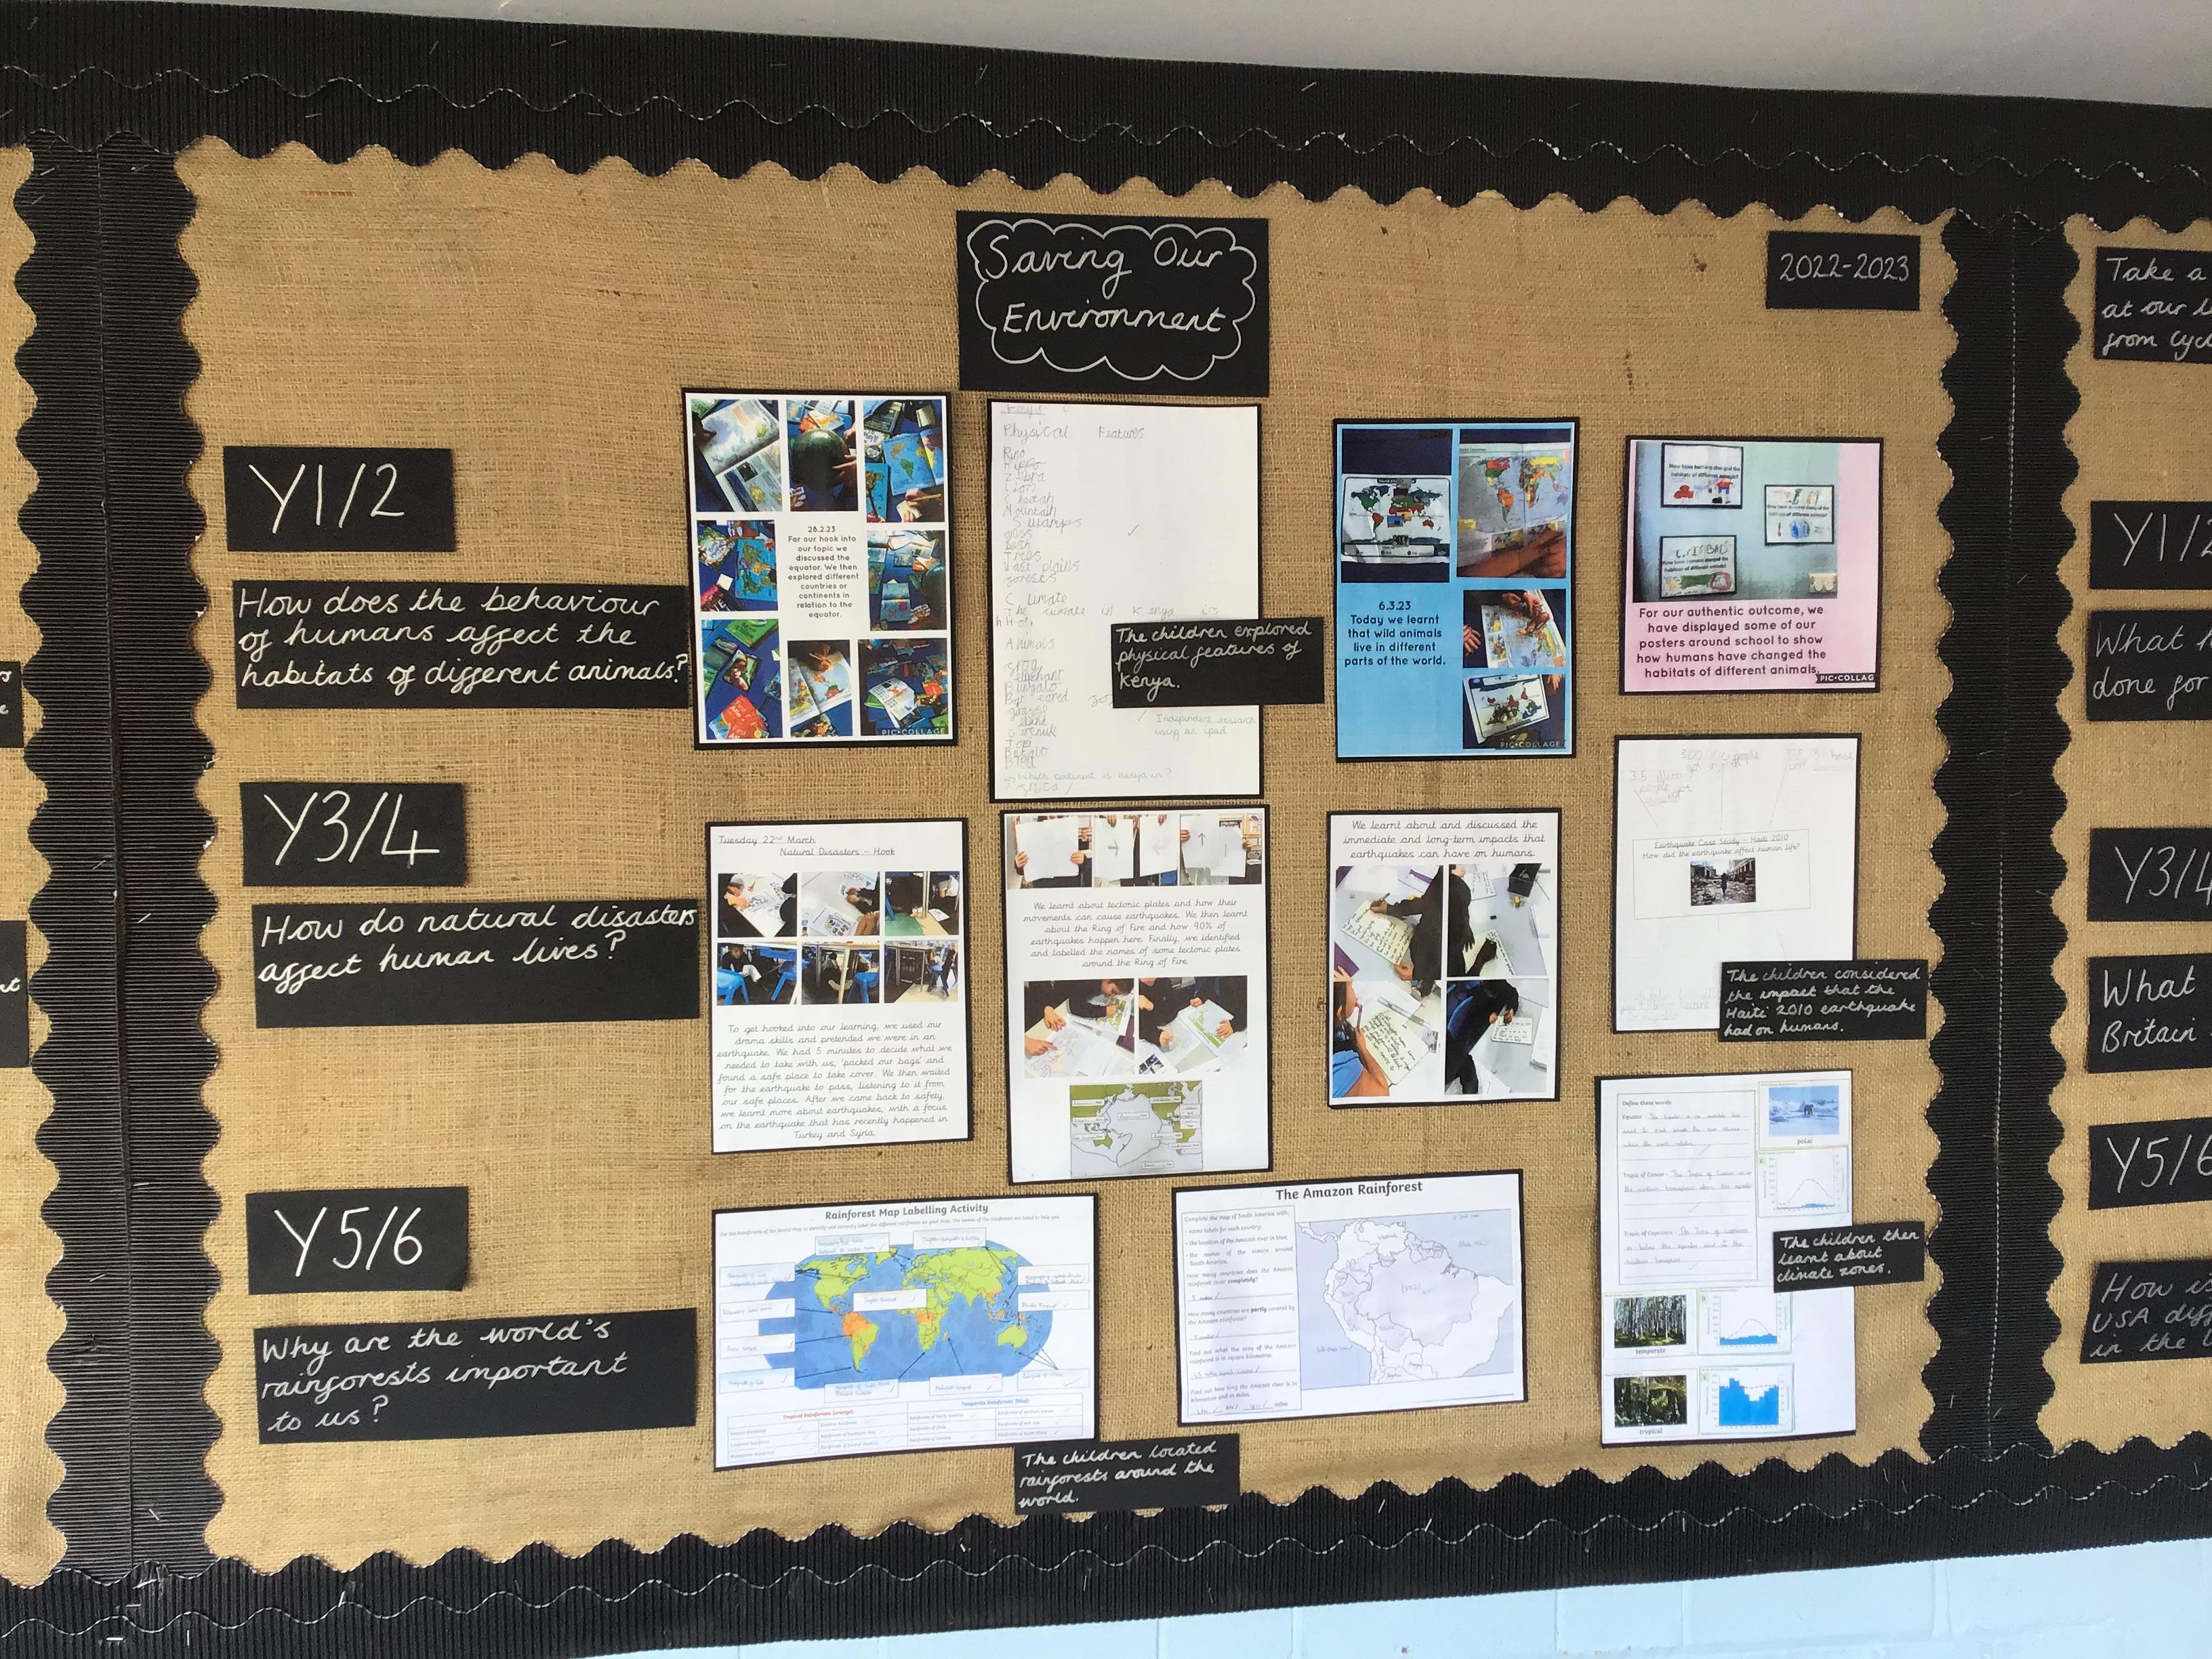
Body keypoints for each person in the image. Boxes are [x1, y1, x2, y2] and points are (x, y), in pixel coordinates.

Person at [1366, 866, 1465, 1000]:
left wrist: (1418, 974)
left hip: (1431, 970)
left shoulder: (1454, 926)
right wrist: (1390, 909)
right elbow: (1421, 904)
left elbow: (1447, 965)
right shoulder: (1440, 896)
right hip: (1419, 947)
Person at [1444, 979, 1521, 1097]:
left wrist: (1511, 1010)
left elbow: (1512, 993)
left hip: (1489, 1037)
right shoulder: (1478, 997)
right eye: (1491, 994)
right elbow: (1472, 1024)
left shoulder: (1499, 984)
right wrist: (1487, 1019)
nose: (1493, 996)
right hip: (1475, 1035)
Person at [1330, 972, 1393, 1099]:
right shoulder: (1340, 1068)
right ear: (1339, 1012)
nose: (1357, 998)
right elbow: (1381, 1093)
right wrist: (1363, 1049)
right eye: (1350, 987)